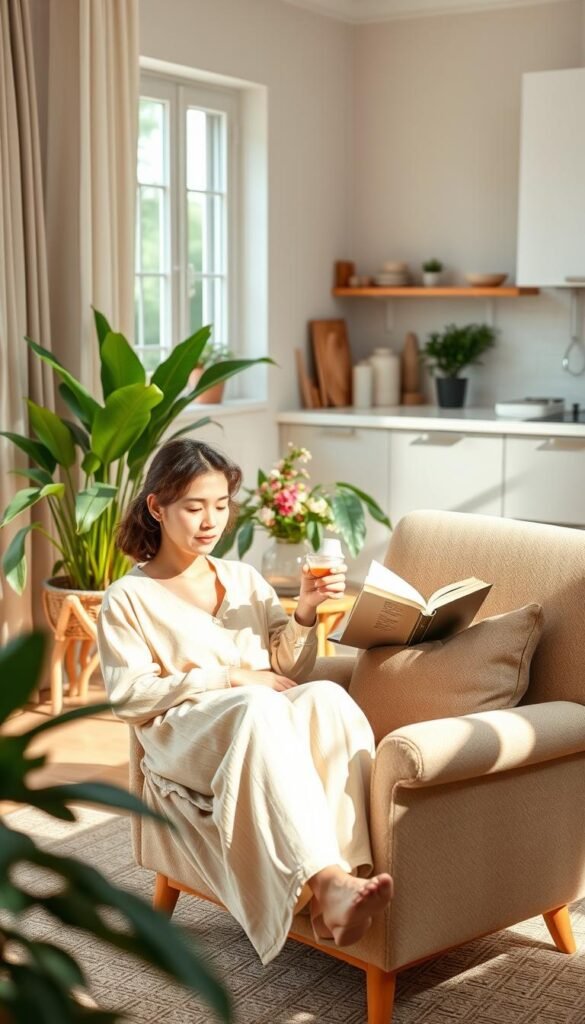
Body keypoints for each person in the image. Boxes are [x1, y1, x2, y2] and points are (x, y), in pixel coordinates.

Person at [97, 438, 392, 965]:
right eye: (193, 507)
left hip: (258, 719)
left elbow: (287, 671)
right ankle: (325, 884)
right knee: (260, 707)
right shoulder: (128, 597)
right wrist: (229, 677)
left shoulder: (243, 578)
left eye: (220, 505)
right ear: (156, 507)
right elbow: (129, 697)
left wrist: (304, 612)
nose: (210, 520)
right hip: (180, 734)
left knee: (326, 696)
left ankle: (347, 883)